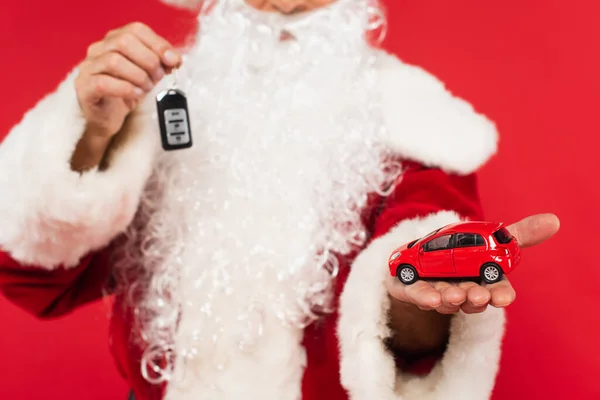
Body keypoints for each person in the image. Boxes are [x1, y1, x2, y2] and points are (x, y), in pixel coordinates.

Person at [0, 0, 559, 399]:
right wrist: (94, 131)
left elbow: (418, 311)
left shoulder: (417, 121)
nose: (286, 4)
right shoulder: (152, 100)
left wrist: (417, 287)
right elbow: (32, 276)